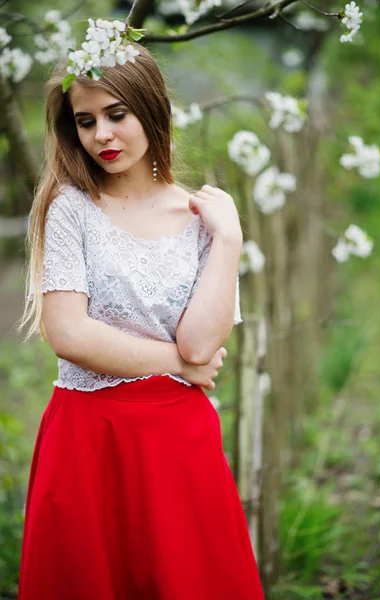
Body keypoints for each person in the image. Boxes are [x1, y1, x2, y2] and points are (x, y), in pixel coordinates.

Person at [16, 22, 265, 600]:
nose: (102, 134)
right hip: (88, 437)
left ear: (152, 110)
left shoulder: (203, 219)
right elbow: (68, 332)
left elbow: (203, 345)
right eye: (85, 120)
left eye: (117, 114)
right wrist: (178, 363)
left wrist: (229, 240)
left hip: (178, 441)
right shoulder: (70, 209)